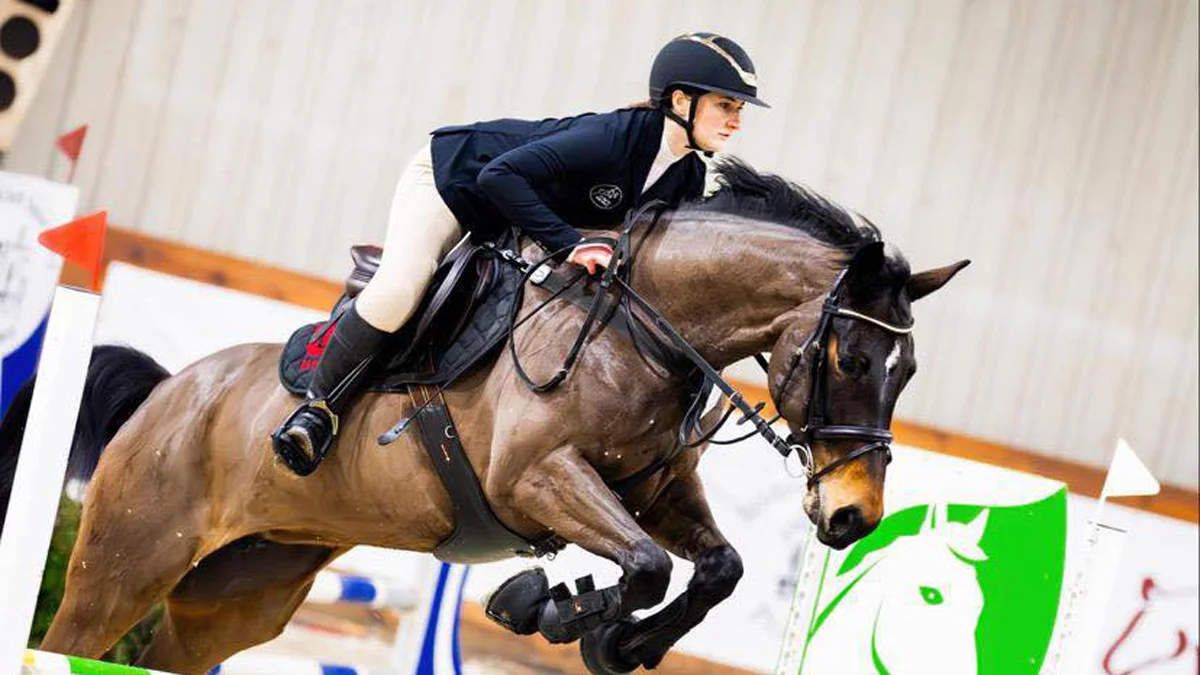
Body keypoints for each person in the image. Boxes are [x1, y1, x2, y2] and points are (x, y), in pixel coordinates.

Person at [272, 32, 769, 476]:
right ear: (682, 100)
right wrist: (571, 244)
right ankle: (318, 409)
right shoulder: (612, 139)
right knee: (403, 285)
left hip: (514, 216)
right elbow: (498, 177)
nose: (736, 121)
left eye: (739, 110)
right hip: (455, 182)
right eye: (727, 106)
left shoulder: (687, 177)